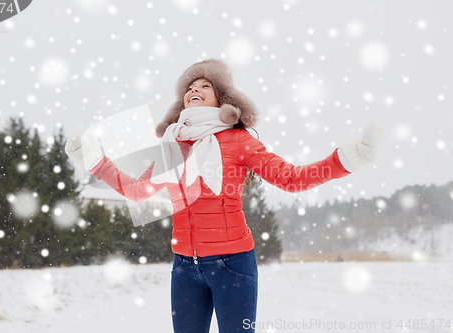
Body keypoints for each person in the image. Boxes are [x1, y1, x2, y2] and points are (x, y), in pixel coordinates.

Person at [65, 59, 383, 333]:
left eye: (204, 85)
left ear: (221, 99)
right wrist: (95, 161)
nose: (194, 90)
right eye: (190, 87)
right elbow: (137, 191)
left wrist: (348, 158)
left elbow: (291, 179)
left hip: (232, 264)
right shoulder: (172, 148)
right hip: (184, 268)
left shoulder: (238, 140)